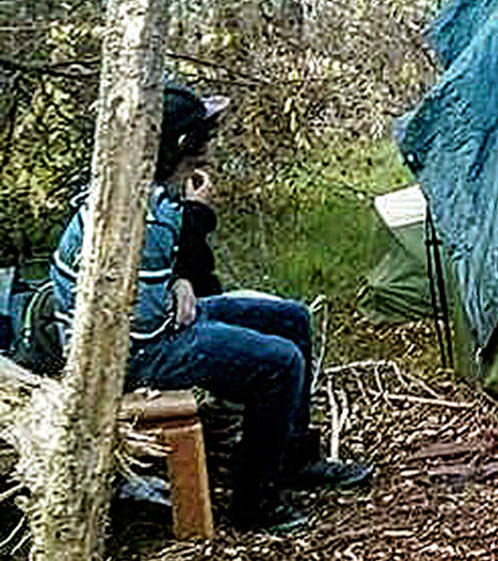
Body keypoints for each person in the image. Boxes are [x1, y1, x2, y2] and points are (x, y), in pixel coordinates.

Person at [49, 84, 372, 531]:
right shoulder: (149, 213)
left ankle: (292, 459)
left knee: (291, 317)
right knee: (280, 364)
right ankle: (254, 504)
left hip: (150, 323)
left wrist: (180, 280)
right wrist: (196, 224)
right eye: (202, 138)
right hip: (126, 356)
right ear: (181, 145)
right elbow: (145, 330)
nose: (209, 148)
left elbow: (165, 281)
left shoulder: (142, 187)